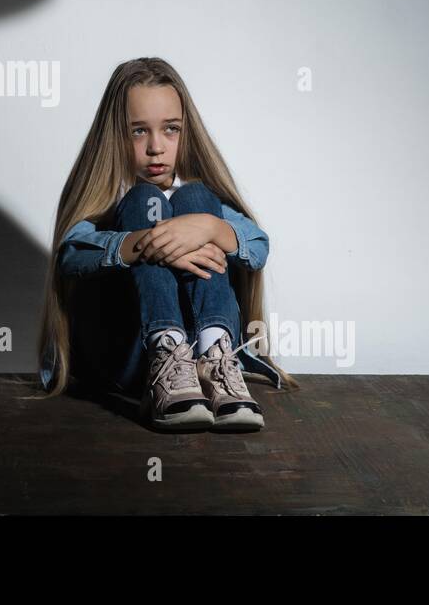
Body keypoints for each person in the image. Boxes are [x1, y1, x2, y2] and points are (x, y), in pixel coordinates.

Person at [35, 57, 299, 431]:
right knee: (145, 201)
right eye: (138, 131)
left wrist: (208, 229)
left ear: (186, 131)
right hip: (129, 359)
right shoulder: (107, 200)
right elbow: (71, 255)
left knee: (196, 198)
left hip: (199, 362)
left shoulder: (202, 202)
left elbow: (257, 247)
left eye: (170, 129)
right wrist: (144, 241)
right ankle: (166, 350)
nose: (156, 147)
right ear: (115, 135)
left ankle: (215, 359)